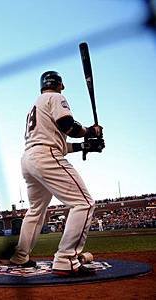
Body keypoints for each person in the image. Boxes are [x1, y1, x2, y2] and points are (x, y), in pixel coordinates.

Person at [9, 71, 104, 276]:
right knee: (84, 203)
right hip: (45, 155)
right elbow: (67, 125)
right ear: (60, 84)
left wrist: (84, 146)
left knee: (35, 210)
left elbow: (59, 143)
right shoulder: (57, 97)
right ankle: (65, 259)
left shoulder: (36, 105)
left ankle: (20, 256)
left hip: (29, 159)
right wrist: (91, 131)